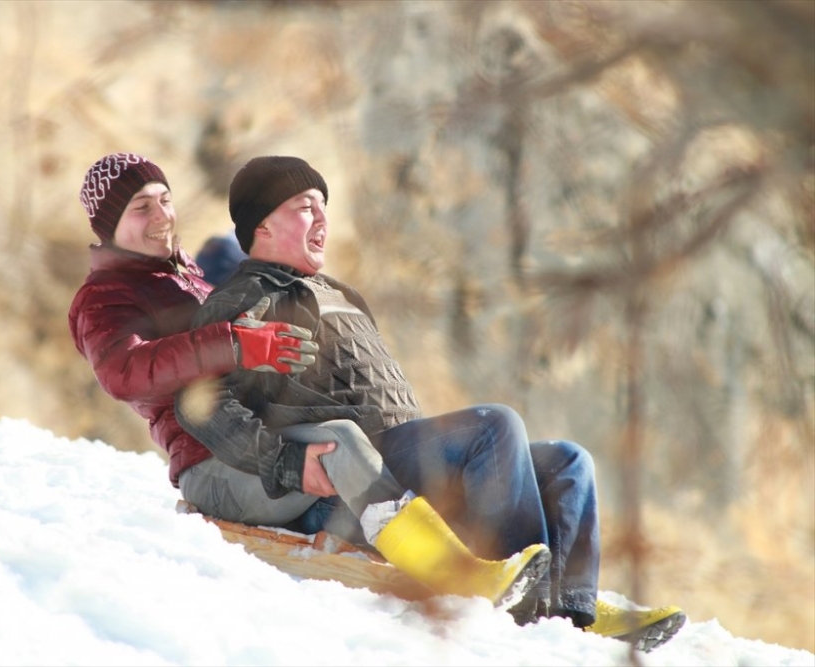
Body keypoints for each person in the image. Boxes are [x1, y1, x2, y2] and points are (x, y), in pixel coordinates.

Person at [174, 155, 686, 652]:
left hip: (403, 468)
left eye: (324, 205)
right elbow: (203, 405)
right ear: (262, 224)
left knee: (568, 461)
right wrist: (285, 461)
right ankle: (522, 594)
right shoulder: (241, 298)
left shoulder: (341, 294)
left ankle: (573, 609)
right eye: (305, 205)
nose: (323, 217)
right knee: (493, 425)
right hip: (344, 485)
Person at [68, 152, 319, 496]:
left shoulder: (190, 279)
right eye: (142, 207)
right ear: (111, 225)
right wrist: (233, 345)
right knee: (345, 477)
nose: (162, 216)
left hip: (261, 432)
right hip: (213, 455)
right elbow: (123, 371)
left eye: (165, 201)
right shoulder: (100, 297)